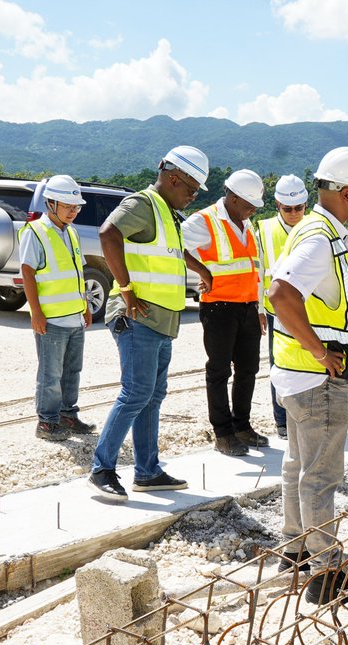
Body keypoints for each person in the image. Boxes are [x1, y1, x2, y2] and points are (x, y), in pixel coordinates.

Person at [266, 147, 348, 605]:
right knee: (320, 474)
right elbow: (280, 295)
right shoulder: (318, 238)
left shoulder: (318, 231)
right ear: (346, 192)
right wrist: (319, 351)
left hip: (297, 374)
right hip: (316, 377)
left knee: (298, 465)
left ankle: (294, 549)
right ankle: (325, 571)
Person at [89, 145, 213, 502]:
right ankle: (102, 469)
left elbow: (172, 253)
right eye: (190, 190)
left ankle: (147, 471)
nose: (192, 197)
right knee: (136, 393)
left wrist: (199, 267)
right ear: (173, 178)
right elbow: (107, 234)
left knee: (152, 396)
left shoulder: (167, 213)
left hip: (161, 320)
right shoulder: (142, 204)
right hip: (137, 318)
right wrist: (126, 289)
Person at [183, 169, 270, 457]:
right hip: (218, 307)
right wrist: (201, 270)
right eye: (248, 205)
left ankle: (242, 426)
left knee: (248, 370)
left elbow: (255, 270)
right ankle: (223, 434)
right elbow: (173, 246)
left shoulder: (247, 225)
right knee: (219, 371)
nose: (251, 211)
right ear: (232, 197)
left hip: (247, 308)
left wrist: (258, 308)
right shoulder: (204, 221)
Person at [18, 175, 94, 441]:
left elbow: (78, 273)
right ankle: (47, 422)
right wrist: (35, 313)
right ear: (51, 203)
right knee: (50, 374)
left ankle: (67, 415)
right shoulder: (35, 232)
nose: (73, 212)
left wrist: (84, 305)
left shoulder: (71, 232)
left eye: (76, 207)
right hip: (51, 320)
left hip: (74, 317)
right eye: (68, 206)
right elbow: (27, 273)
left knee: (72, 371)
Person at [258, 175, 309, 439]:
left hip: (310, 310)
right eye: (287, 208)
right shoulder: (264, 229)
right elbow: (258, 270)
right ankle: (282, 422)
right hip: (275, 310)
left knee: (309, 362)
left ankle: (305, 417)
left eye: (298, 208)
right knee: (280, 366)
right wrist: (258, 308)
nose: (293, 213)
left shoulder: (315, 227)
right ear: (277, 204)